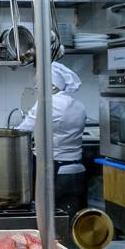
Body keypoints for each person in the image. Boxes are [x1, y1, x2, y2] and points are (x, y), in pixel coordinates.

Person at [17, 61, 87, 217]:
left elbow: (22, 131)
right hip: (76, 170)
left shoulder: (48, 103)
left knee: (51, 219)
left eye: (40, 84)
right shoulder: (78, 104)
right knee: (74, 218)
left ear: (53, 85)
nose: (36, 88)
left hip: (54, 171)